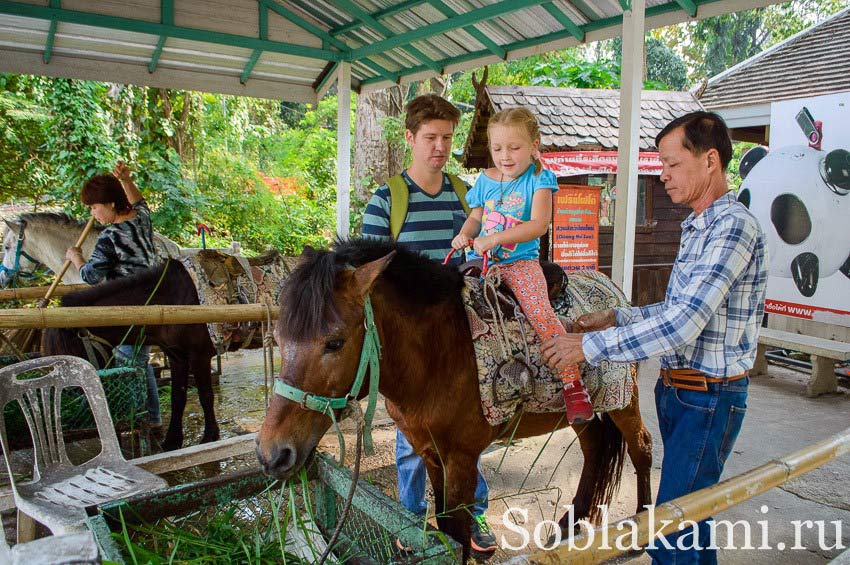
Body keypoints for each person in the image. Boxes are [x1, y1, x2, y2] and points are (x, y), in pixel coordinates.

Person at [540, 111, 768, 564]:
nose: (661, 175)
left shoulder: (732, 227)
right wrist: (616, 317)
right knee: (690, 523)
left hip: (710, 397)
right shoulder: (698, 225)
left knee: (670, 531)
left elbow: (685, 323)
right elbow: (673, 309)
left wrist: (587, 347)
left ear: (710, 161)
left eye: (671, 164)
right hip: (683, 393)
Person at [361, 94, 497, 553]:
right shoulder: (387, 201)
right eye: (430, 138)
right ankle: (412, 523)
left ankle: (472, 517)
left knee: (469, 433)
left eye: (446, 138)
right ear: (410, 138)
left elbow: (489, 251)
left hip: (462, 344)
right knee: (413, 442)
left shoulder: (468, 196)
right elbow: (371, 278)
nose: (439, 147)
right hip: (412, 350)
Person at [452, 107, 595, 425]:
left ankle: (573, 384)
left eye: (514, 148)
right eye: (497, 148)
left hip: (520, 264)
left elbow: (538, 224)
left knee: (541, 314)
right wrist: (465, 235)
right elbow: (476, 217)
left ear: (534, 145)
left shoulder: (540, 179)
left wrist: (496, 238)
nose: (505, 155)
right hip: (483, 263)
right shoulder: (486, 180)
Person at [65, 162, 162, 428]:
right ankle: (153, 419)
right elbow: (139, 201)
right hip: (152, 302)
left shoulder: (110, 236)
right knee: (139, 363)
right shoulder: (141, 220)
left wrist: (77, 258)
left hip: (129, 309)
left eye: (95, 207)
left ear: (109, 204)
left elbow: (91, 276)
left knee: (129, 363)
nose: (93, 214)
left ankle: (138, 420)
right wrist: (127, 180)